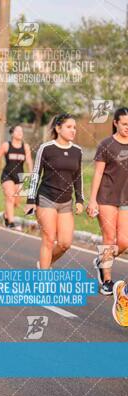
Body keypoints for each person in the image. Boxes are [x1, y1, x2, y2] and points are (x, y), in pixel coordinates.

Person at [25, 114, 84, 269]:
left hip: (66, 202)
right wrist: (30, 200)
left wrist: (79, 199)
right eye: (69, 127)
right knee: (49, 239)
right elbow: (35, 174)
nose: (73, 131)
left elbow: (78, 177)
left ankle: (44, 264)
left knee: (65, 243)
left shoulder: (77, 151)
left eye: (75, 127)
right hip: (46, 199)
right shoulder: (46, 148)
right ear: (58, 128)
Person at [87, 107, 128, 297]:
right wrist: (92, 200)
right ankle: (107, 281)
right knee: (109, 239)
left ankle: (102, 260)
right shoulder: (106, 145)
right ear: (116, 123)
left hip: (125, 198)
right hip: (106, 198)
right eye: (125, 124)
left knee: (124, 241)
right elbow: (98, 173)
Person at [0, 125, 33, 230]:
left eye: (21, 131)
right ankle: (11, 223)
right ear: (12, 133)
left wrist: (31, 174)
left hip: (21, 176)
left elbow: (29, 161)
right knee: (10, 197)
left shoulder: (25, 146)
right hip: (7, 175)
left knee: (17, 202)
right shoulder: (6, 145)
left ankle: (6, 215)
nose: (20, 133)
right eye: (17, 131)